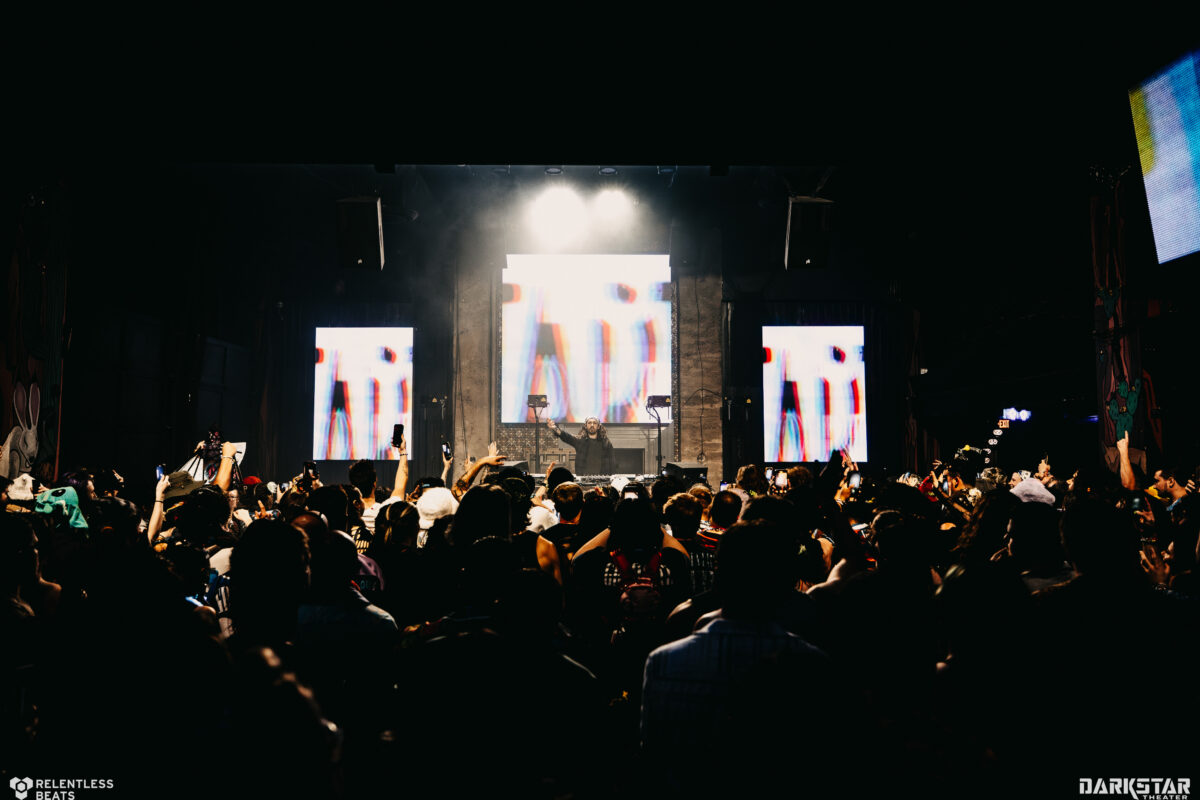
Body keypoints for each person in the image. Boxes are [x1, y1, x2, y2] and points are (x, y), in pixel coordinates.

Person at [547, 416, 614, 475]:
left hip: (601, 479)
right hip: (583, 478)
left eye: (595, 423)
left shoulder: (606, 443)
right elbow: (566, 436)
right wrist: (555, 428)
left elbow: (611, 462)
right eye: (589, 423)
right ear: (585, 426)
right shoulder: (580, 441)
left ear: (598, 426)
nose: (592, 425)